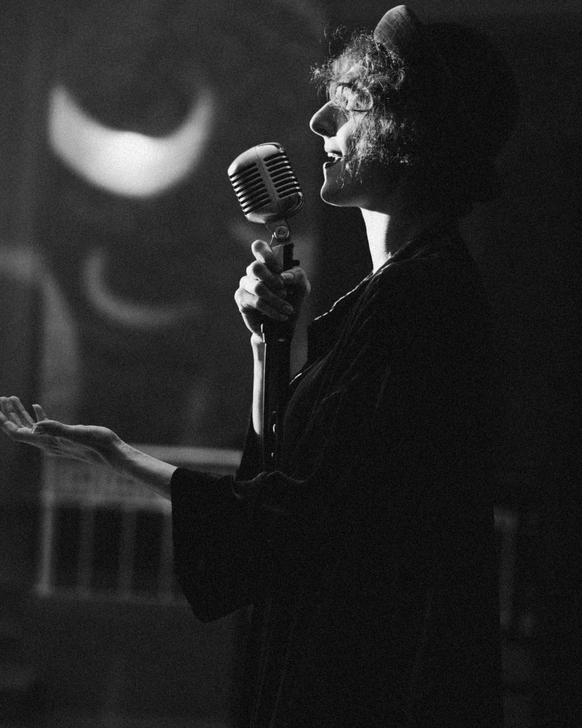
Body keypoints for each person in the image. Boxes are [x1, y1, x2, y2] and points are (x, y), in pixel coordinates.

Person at [1, 6, 518, 727]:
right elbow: (286, 481)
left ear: (411, 132)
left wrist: (120, 458)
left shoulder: (423, 303)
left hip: (365, 683)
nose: (319, 123)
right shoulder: (395, 296)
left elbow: (296, 523)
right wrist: (267, 346)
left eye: (351, 104)